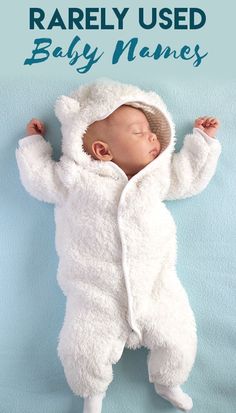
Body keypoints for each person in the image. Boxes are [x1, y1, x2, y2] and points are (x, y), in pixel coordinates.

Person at [16, 79, 221, 412]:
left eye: (152, 131)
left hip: (156, 286)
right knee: (81, 347)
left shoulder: (156, 177)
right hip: (95, 292)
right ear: (101, 150)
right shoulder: (76, 178)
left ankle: (170, 382)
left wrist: (202, 143)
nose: (153, 136)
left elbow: (189, 177)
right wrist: (33, 145)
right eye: (139, 133)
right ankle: (92, 396)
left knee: (179, 334)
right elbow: (40, 180)